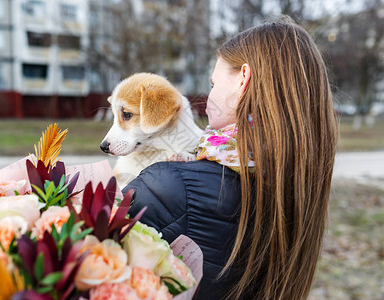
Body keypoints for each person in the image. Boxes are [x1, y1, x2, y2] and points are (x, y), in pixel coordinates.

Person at [124, 16, 338, 300]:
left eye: (213, 83)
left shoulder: (170, 186)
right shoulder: (294, 181)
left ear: (243, 78)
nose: (209, 95)